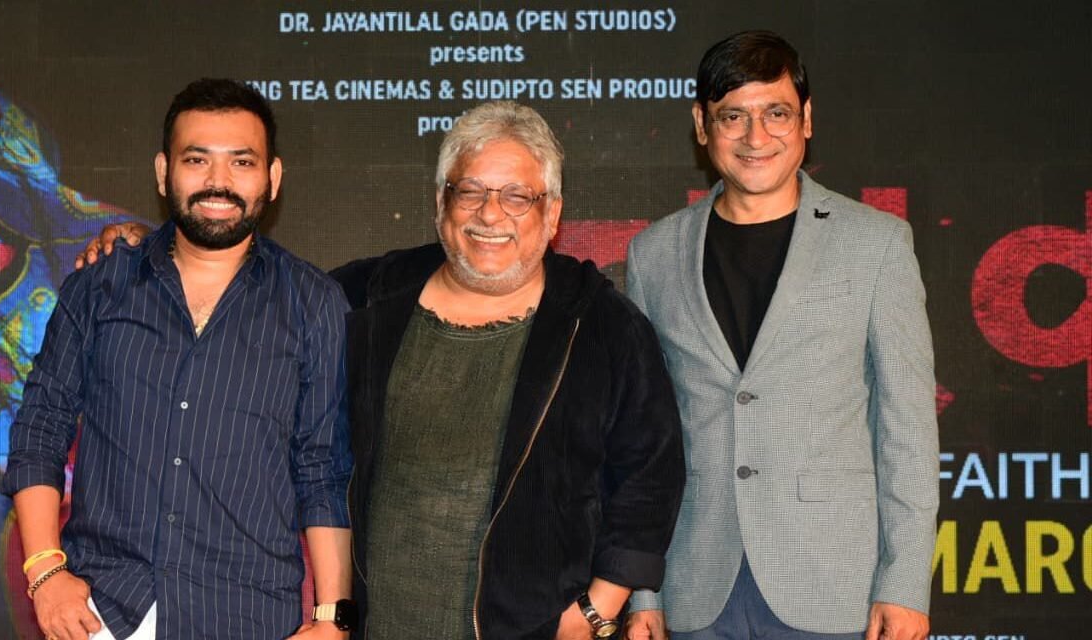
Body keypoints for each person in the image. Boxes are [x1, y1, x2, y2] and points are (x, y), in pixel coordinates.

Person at [84, 100, 686, 639]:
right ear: (440, 204)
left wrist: (595, 610)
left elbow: (651, 473)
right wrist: (153, 247)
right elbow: (241, 293)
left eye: (516, 196)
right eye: (470, 191)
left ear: (551, 214)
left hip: (538, 629)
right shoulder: (363, 297)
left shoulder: (599, 323)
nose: (490, 214)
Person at [3, 78, 354, 640]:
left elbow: (322, 470)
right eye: (197, 160)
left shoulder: (314, 303)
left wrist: (332, 618)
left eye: (242, 162)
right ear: (164, 172)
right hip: (100, 610)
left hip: (247, 616)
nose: (218, 181)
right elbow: (40, 428)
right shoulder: (100, 285)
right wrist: (45, 572)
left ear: (272, 177)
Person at [623, 31, 939, 640]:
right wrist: (644, 592)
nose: (755, 136)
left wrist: (903, 584)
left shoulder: (876, 244)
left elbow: (908, 431)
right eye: (732, 116)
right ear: (701, 125)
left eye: (776, 113)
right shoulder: (653, 254)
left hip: (834, 588)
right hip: (695, 586)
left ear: (806, 120)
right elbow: (642, 438)